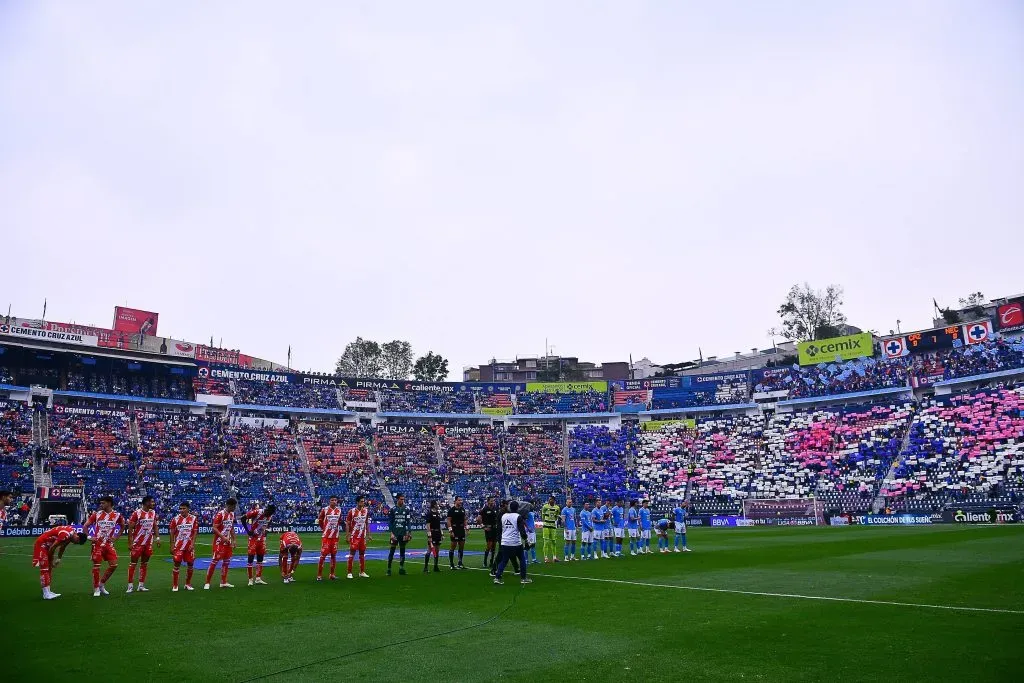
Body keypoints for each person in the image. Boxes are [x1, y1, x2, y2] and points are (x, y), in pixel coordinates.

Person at [32, 524, 87, 600]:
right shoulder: (66, 534)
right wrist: (51, 560)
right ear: (77, 537)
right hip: (42, 544)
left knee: (49, 569)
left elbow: (62, 547)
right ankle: (46, 594)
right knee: (45, 568)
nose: (74, 543)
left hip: (47, 545)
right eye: (76, 542)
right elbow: (53, 547)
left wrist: (59, 559)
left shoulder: (71, 534)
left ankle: (48, 591)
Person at [84, 495, 125, 597]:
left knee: (114, 565)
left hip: (109, 544)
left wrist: (116, 537)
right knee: (97, 566)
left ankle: (101, 584)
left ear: (109, 503)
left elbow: (123, 526)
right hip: (97, 544)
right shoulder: (96, 514)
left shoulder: (117, 515)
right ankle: (96, 588)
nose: (101, 505)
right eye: (101, 503)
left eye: (103, 503)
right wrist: (89, 537)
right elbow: (85, 526)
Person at [125, 495, 160, 593]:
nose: (153, 503)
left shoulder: (153, 512)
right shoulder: (137, 513)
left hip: (148, 543)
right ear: (146, 503)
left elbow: (155, 526)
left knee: (144, 564)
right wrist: (130, 543)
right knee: (133, 564)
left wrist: (157, 538)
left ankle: (141, 585)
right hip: (137, 543)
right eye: (152, 502)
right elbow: (130, 528)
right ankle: (130, 586)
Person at [493, 501, 532, 586]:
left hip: (505, 542)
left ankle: (497, 577)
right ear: (518, 508)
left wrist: (500, 539)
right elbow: (522, 531)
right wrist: (526, 541)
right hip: (516, 542)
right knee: (522, 559)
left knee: (504, 560)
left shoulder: (504, 516)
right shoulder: (518, 517)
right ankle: (523, 578)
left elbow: (499, 529)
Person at [204, 497, 237, 590]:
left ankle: (223, 582)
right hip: (219, 542)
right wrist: (222, 537)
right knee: (214, 561)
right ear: (229, 505)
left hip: (228, 542)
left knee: (226, 562)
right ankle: (207, 582)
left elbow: (231, 527)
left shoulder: (232, 514)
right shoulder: (220, 514)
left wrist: (234, 540)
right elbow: (214, 528)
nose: (234, 508)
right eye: (233, 506)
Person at [242, 503, 276, 586]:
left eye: (271, 514)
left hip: (261, 539)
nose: (269, 515)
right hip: (253, 538)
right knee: (250, 558)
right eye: (269, 513)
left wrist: (265, 534)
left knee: (260, 558)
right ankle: (250, 580)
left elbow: (268, 525)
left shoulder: (270, 516)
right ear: (267, 509)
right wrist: (248, 531)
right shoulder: (257, 512)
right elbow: (243, 518)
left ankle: (258, 578)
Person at [169, 502, 199, 592]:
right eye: (180, 508)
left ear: (188, 509)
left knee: (190, 564)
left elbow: (194, 532)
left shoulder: (193, 518)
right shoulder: (175, 519)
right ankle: (175, 585)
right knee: (177, 564)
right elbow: (172, 533)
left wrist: (193, 544)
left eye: (184, 508)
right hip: (179, 545)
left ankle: (188, 584)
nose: (182, 510)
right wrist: (172, 545)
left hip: (189, 546)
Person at [317, 495, 344, 581]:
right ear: (329, 501)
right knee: (323, 556)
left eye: (335, 500)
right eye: (332, 500)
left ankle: (332, 574)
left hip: (335, 537)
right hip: (326, 537)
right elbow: (320, 520)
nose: (334, 502)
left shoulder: (339, 510)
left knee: (333, 555)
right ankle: (319, 575)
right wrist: (324, 529)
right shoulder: (324, 510)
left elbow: (339, 521)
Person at [387, 493, 412, 576]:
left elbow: (408, 522)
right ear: (397, 499)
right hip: (395, 533)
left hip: (403, 533)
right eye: (401, 499)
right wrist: (391, 533)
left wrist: (409, 532)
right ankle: (389, 569)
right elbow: (390, 522)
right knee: (392, 551)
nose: (402, 501)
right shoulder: (393, 509)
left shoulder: (407, 509)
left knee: (402, 551)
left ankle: (401, 568)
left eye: (403, 499)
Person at [346, 495, 371, 579]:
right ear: (357, 502)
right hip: (354, 536)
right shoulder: (352, 511)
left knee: (362, 554)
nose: (363, 503)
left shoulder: (366, 511)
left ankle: (362, 572)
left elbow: (366, 523)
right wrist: (348, 535)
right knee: (352, 553)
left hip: (362, 536)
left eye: (363, 501)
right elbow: (348, 523)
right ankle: (349, 572)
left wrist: (368, 534)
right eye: (361, 501)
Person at [446, 496, 468, 570]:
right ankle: (451, 564)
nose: (460, 501)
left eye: (461, 500)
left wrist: (466, 527)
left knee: (461, 547)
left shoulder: (462, 509)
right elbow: (448, 521)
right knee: (453, 546)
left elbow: (464, 519)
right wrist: (450, 530)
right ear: (455, 501)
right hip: (455, 529)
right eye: (459, 500)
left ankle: (460, 563)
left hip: (461, 529)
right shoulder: (451, 510)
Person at [477, 496, 499, 569]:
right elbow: (478, 518)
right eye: (492, 501)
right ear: (488, 501)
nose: (493, 502)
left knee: (494, 546)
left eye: (494, 501)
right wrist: (483, 527)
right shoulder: (484, 509)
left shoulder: (496, 508)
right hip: (489, 529)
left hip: (495, 529)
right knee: (489, 546)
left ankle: (491, 562)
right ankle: (485, 562)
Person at [423, 500, 443, 573]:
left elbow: (439, 524)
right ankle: (425, 567)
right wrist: (429, 535)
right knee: (430, 550)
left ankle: (436, 566)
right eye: (437, 504)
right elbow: (428, 525)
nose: (438, 505)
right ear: (434, 505)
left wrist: (442, 533)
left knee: (437, 550)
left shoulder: (438, 513)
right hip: (432, 532)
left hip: (438, 533)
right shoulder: (429, 513)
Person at [540, 496, 561, 563]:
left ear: (554, 500)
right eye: (549, 499)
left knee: (554, 542)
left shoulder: (557, 508)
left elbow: (557, 515)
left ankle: (554, 557)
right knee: (546, 542)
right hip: (546, 526)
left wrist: (554, 521)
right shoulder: (545, 507)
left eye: (551, 499)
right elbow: (542, 516)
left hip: (553, 526)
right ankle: (546, 558)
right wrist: (545, 522)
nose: (549, 500)